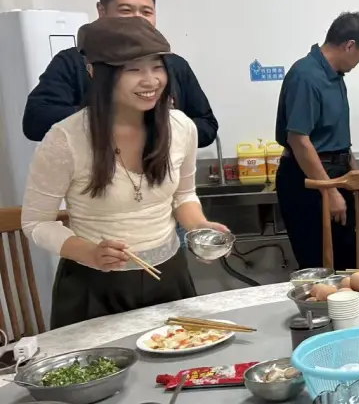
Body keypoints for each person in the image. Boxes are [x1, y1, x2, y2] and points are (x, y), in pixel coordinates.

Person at [21, 17, 228, 328]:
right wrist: (89, 252)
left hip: (169, 276)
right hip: (94, 284)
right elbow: (36, 222)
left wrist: (200, 227)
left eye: (157, 67)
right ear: (95, 72)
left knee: (178, 357)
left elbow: (184, 195)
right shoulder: (65, 139)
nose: (151, 81)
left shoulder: (181, 128)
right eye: (133, 70)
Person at [23, 0, 219, 148]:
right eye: (126, 10)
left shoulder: (175, 64)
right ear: (102, 11)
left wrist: (160, 125)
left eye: (146, 12)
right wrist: (117, 117)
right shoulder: (73, 61)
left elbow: (207, 126)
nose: (137, 19)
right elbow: (36, 121)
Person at [275, 12, 359, 270]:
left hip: (335, 175)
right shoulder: (306, 76)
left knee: (348, 263)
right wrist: (329, 191)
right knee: (320, 265)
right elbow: (299, 140)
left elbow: (338, 138)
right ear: (349, 45)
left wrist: (356, 178)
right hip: (309, 180)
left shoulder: (335, 76)